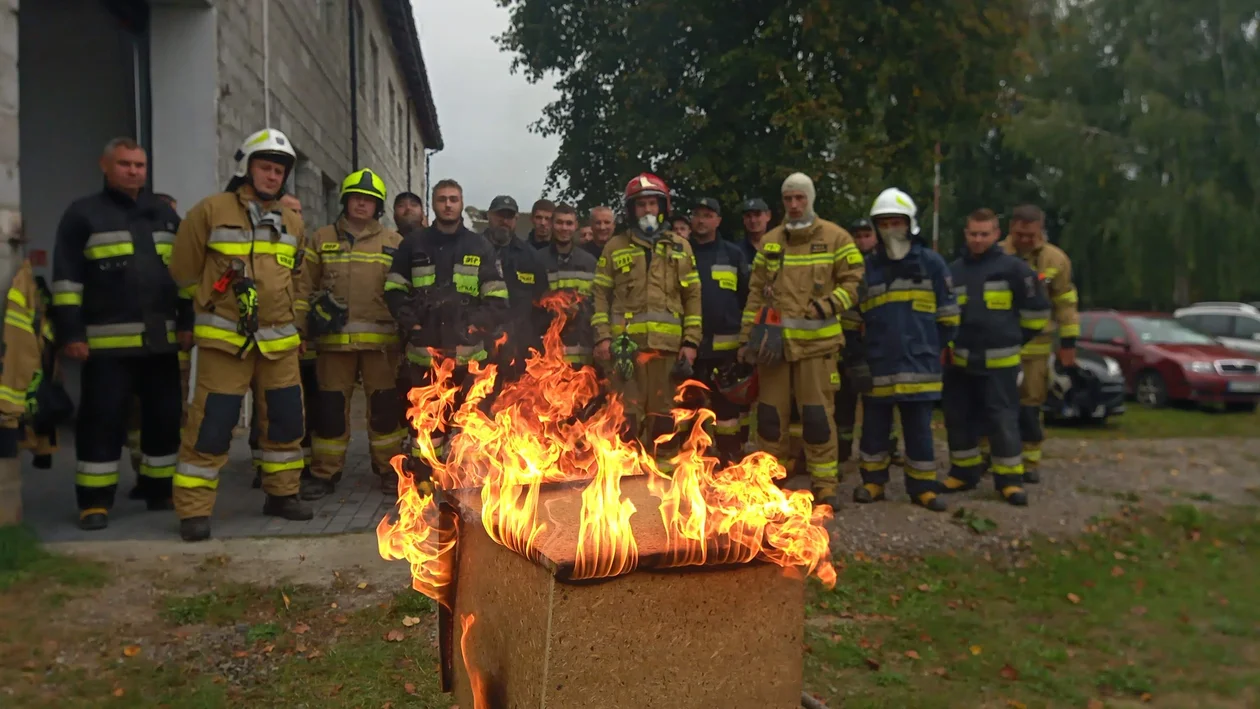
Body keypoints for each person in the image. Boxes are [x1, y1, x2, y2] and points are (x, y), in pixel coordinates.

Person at [168, 128, 313, 541]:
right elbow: (183, 270)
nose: (272, 176)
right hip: (224, 342)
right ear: (246, 168)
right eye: (265, 167)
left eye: (279, 170)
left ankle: (283, 495)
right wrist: (209, 307)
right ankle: (194, 511)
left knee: (285, 422)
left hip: (279, 344)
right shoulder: (210, 212)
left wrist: (295, 324)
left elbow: (298, 277)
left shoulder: (292, 222)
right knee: (212, 423)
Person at [52, 137, 185, 531]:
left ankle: (158, 489)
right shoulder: (83, 215)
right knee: (102, 420)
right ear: (105, 166)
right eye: (125, 164)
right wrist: (70, 332)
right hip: (106, 347)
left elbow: (185, 276)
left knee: (164, 418)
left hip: (160, 342)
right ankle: (94, 502)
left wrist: (189, 324)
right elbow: (66, 281)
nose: (133, 171)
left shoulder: (163, 214)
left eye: (139, 165)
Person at [738, 173, 863, 505]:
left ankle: (825, 485)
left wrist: (827, 306)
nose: (794, 205)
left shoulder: (837, 238)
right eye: (788, 199)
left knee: (817, 418)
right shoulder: (771, 241)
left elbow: (854, 283)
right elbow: (755, 293)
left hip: (816, 348)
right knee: (768, 418)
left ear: (811, 199)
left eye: (800, 198)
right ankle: (769, 484)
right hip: (773, 349)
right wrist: (746, 340)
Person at [384, 179, 507, 492]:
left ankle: (468, 488)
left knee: (472, 426)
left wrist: (474, 326)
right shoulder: (413, 245)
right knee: (426, 426)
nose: (448, 204)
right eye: (442, 199)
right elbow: (395, 291)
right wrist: (412, 325)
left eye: (453, 199)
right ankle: (423, 483)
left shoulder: (480, 246)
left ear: (461, 203)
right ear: (433, 204)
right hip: (424, 357)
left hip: (470, 360)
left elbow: (496, 297)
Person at [297, 169, 406, 500]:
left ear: (378, 207)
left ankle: (390, 470)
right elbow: (303, 287)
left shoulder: (394, 242)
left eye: (370, 200)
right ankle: (324, 472)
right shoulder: (321, 238)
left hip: (382, 346)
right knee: (329, 409)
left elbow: (406, 291)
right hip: (332, 344)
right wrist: (301, 330)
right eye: (357, 197)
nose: (363, 204)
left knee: (385, 409)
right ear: (345, 200)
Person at [851, 189, 957, 511]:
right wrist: (858, 360)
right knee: (874, 429)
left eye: (897, 222)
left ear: (910, 224)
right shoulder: (866, 269)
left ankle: (922, 488)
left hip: (920, 366)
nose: (890, 229)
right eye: (884, 223)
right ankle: (872, 482)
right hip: (878, 365)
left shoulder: (932, 265)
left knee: (919, 432)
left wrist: (927, 348)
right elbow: (852, 319)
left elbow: (949, 318)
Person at [942, 208, 1050, 507]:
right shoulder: (954, 271)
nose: (978, 239)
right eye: (973, 234)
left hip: (1000, 363)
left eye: (984, 234)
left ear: (996, 235)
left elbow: (1038, 312)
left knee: (1002, 421)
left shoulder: (1015, 269)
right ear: (966, 234)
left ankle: (1009, 481)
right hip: (961, 362)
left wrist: (1015, 339)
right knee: (959, 419)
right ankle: (963, 472)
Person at [591, 173, 701, 461]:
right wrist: (603, 336)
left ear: (663, 207)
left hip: (668, 352)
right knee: (624, 422)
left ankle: (664, 488)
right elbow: (600, 295)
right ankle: (626, 486)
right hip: (625, 353)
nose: (648, 210)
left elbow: (693, 298)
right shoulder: (615, 247)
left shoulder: (681, 247)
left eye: (653, 203)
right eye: (641, 205)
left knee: (665, 421)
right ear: (631, 210)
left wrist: (691, 343)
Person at [1001, 205, 1079, 483]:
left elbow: (1065, 302)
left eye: (1030, 235)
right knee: (994, 401)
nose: (1024, 240)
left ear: (1041, 232)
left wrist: (1068, 343)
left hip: (1037, 345)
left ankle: (1029, 460)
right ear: (1011, 229)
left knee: (1031, 404)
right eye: (1019, 234)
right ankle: (990, 455)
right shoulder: (996, 255)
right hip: (1000, 342)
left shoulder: (1055, 260)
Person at [249, 193, 315, 488]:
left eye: (300, 211)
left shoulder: (299, 244)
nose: (296, 217)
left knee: (288, 409)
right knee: (257, 409)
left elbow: (302, 289)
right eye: (291, 210)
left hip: (287, 341)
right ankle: (260, 466)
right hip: (246, 338)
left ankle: (285, 483)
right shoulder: (254, 240)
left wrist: (300, 330)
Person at [685, 197, 749, 462]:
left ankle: (729, 459)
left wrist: (745, 343)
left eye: (708, 215)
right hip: (691, 349)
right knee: (688, 409)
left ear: (718, 221)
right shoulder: (682, 253)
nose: (702, 220)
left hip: (726, 351)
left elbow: (747, 299)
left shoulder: (734, 255)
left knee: (727, 413)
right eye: (697, 214)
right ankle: (692, 463)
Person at [482, 195, 550, 382]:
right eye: (499, 215)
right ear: (489, 216)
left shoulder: (530, 257)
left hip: (520, 350)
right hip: (480, 348)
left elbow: (543, 305)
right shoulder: (472, 248)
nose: (504, 221)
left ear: (516, 220)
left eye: (509, 217)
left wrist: (532, 341)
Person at [834, 217, 878, 467]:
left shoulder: (882, 264)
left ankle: (884, 449)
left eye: (866, 235)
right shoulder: (844, 264)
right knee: (844, 402)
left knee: (877, 401)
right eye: (857, 236)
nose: (862, 241)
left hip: (875, 343)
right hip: (848, 343)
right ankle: (842, 451)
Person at [542, 202, 598, 365]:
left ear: (576, 226)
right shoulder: (537, 260)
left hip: (583, 351)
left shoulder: (590, 262)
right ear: (552, 224)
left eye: (569, 223)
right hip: (548, 352)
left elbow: (597, 304)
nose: (564, 228)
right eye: (559, 222)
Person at [738, 197, 773, 265]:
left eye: (757, 215)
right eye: (748, 216)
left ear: (768, 216)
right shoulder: (736, 251)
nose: (753, 220)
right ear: (744, 219)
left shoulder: (778, 247)